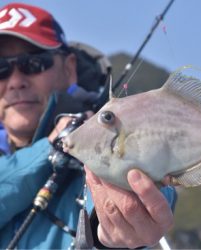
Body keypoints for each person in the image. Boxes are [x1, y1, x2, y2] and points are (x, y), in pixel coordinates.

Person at [0, 2, 176, 249]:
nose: (16, 81)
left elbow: (147, 168)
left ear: (69, 68)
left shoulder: (103, 135)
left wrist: (109, 234)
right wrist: (49, 150)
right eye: (1, 69)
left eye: (34, 63)